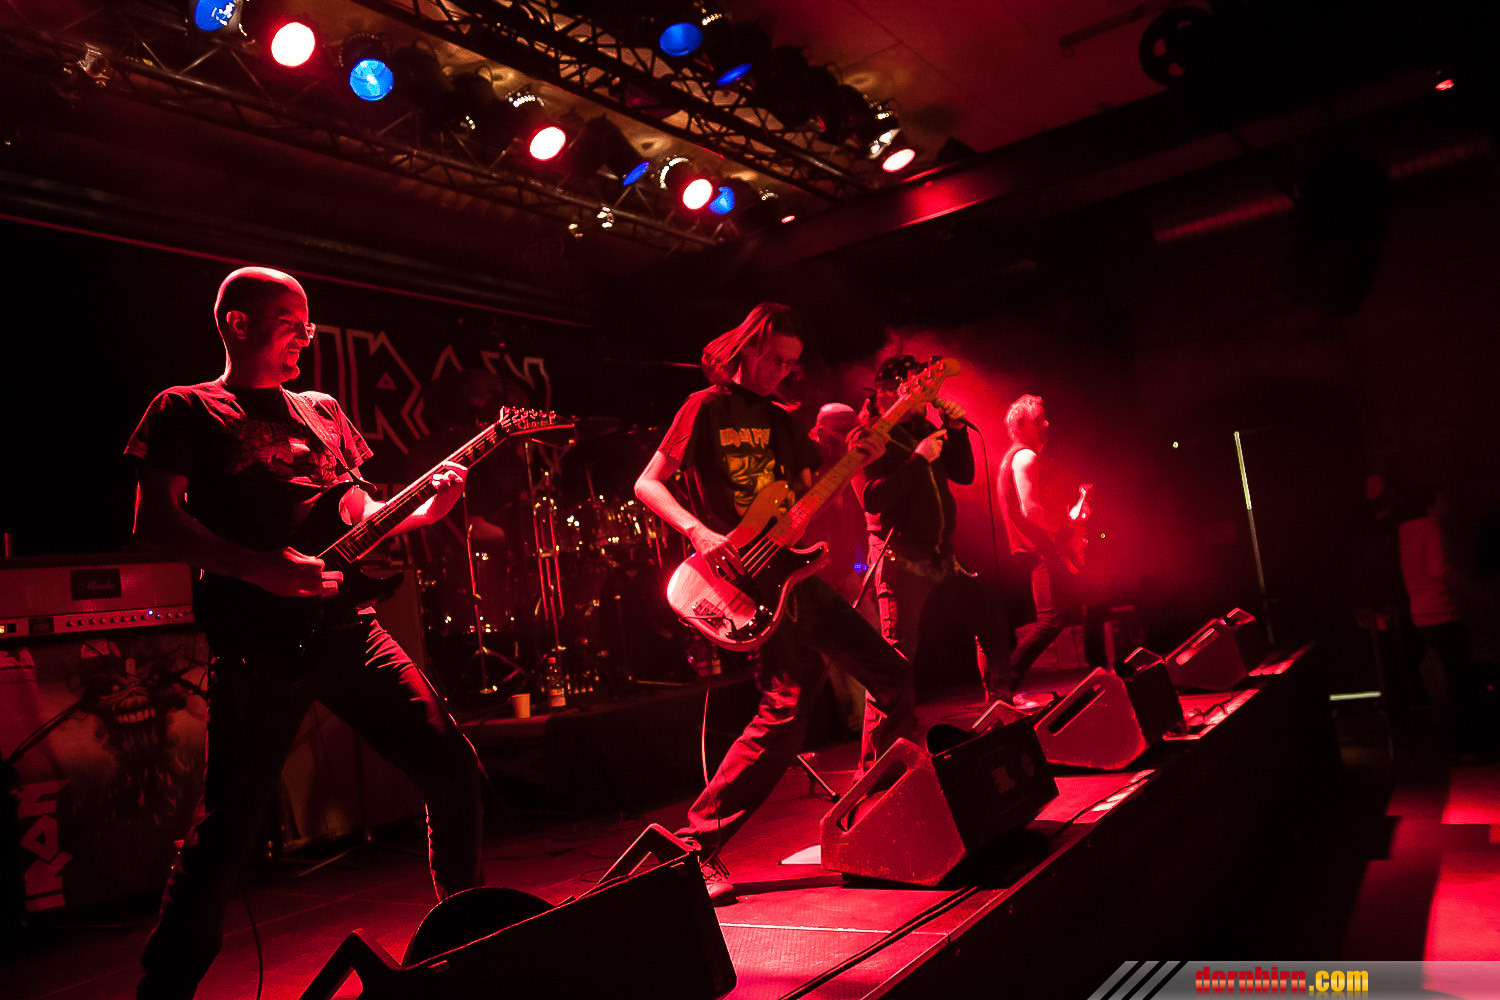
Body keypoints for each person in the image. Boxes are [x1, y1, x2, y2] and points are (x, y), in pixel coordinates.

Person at [126, 267, 484, 1000]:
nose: (305, 338)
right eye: (291, 323)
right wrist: (261, 568)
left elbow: (359, 512)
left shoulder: (322, 411)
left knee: (451, 765)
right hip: (259, 642)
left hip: (350, 630)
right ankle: (162, 992)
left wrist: (424, 510)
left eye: (308, 325)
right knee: (228, 832)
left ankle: (469, 943)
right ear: (237, 323)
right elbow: (154, 524)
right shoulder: (186, 407)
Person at [634, 303, 916, 905]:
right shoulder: (704, 407)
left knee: (892, 676)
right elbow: (647, 483)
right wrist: (698, 531)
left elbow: (811, 495)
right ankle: (692, 849)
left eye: (792, 364)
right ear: (749, 348)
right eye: (775, 360)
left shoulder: (783, 421)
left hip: (793, 575)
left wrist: (860, 458)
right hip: (739, 578)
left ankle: (870, 812)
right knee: (786, 708)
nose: (783, 372)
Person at [853, 355, 1012, 705]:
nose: (926, 392)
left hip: (942, 555)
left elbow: (964, 475)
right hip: (901, 558)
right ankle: (885, 739)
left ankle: (1000, 709)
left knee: (992, 624)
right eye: (916, 385)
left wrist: (956, 431)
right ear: (890, 391)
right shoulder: (871, 434)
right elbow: (871, 499)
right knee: (897, 655)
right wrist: (918, 460)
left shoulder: (924, 428)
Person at [998, 394, 1084, 703]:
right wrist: (1061, 530)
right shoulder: (1025, 457)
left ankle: (1002, 686)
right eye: (1039, 421)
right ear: (1021, 426)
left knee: (1055, 617)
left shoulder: (1018, 456)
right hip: (1036, 548)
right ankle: (1003, 685)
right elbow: (1030, 509)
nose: (1046, 424)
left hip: (1032, 547)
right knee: (1050, 620)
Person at [1399, 487, 1487, 761]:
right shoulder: (1431, 530)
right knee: (1461, 679)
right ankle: (1462, 745)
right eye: (1442, 499)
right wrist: (1471, 589)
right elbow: (1439, 570)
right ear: (1431, 504)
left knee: (1454, 677)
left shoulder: (1405, 533)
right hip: (1443, 610)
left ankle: (1456, 744)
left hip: (1421, 612)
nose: (1446, 504)